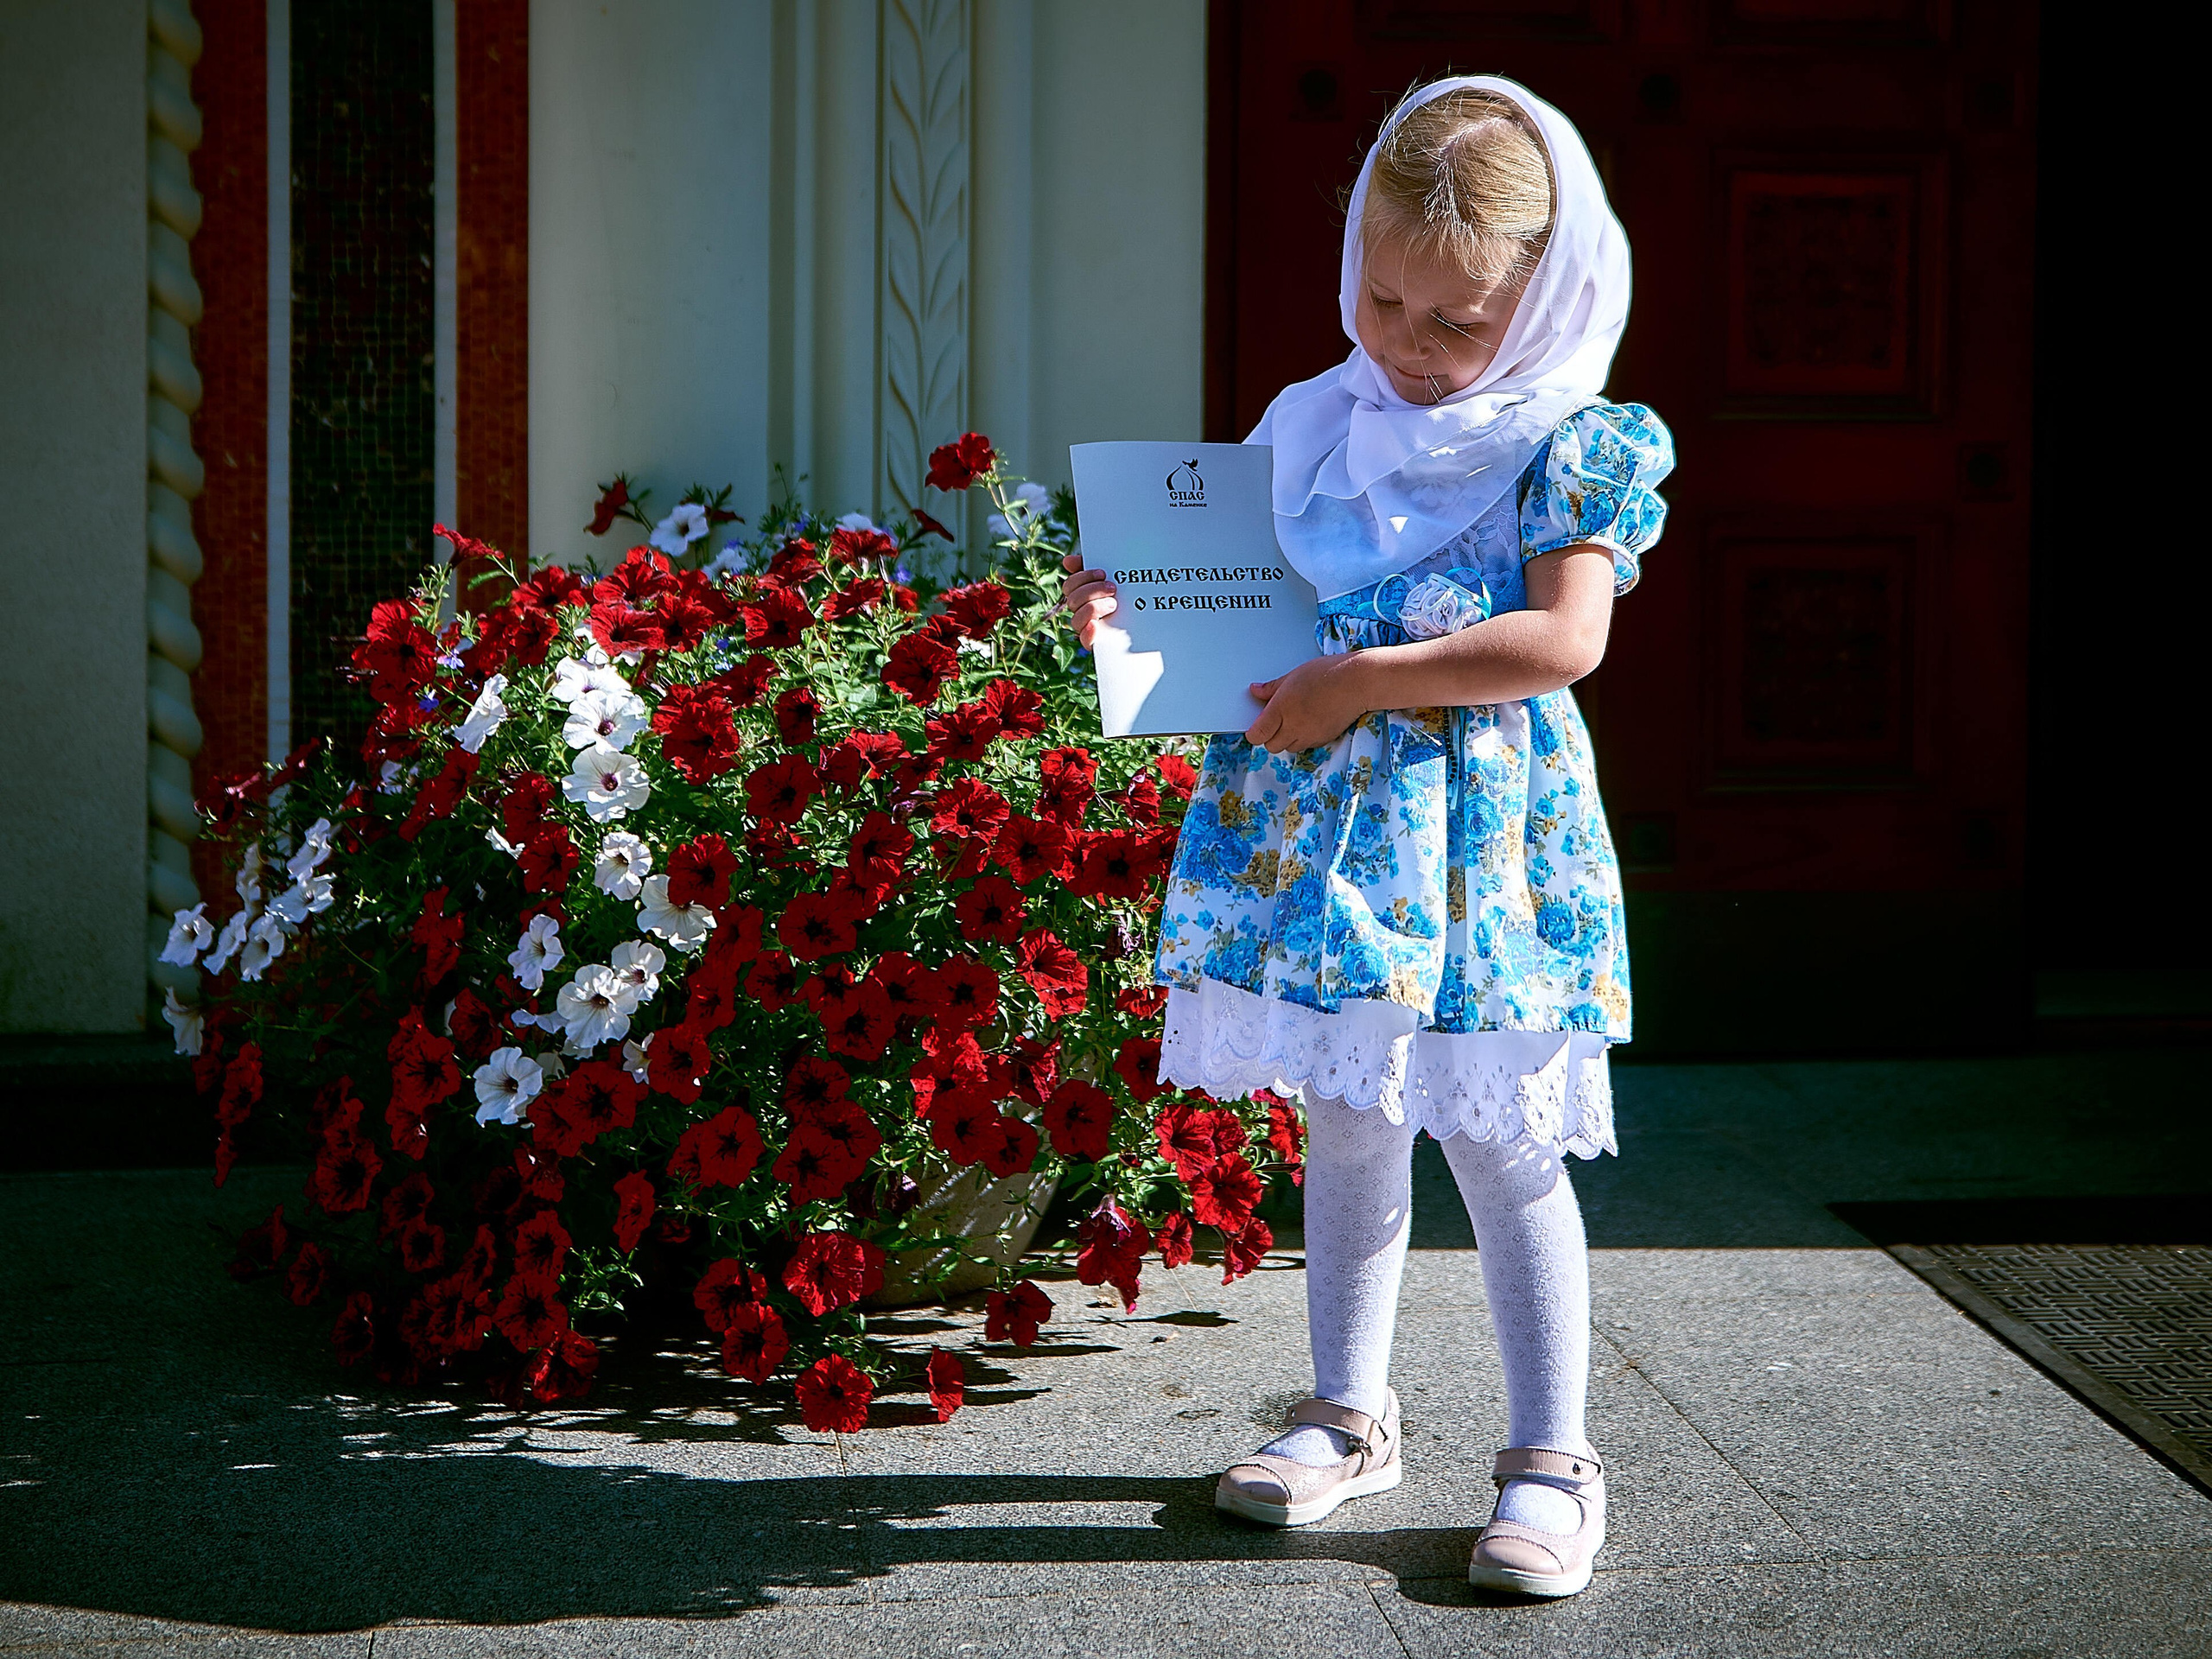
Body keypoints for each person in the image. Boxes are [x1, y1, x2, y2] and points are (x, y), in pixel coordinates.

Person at [1060, 75, 1673, 1599]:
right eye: (1382, 298)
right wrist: (1129, 601)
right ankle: (1348, 1413)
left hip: (1478, 848)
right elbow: (1229, 587)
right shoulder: (1314, 424)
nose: (1406, 341)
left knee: (1502, 1137)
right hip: (1330, 847)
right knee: (1348, 1114)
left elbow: (1565, 639)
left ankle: (1554, 1458)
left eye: (1455, 322)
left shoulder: (1569, 439)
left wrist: (1364, 680)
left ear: (1542, 301)